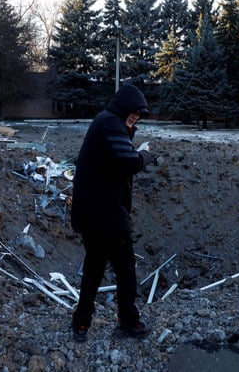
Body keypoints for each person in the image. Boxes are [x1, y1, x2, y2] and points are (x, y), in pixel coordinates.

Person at [70, 83, 155, 342]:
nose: (137, 116)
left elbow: (115, 158)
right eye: (134, 111)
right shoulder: (109, 123)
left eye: (140, 114)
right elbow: (128, 161)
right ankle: (128, 322)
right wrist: (145, 154)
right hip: (107, 215)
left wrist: (129, 133)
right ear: (123, 107)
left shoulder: (105, 122)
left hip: (93, 214)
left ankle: (81, 323)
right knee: (126, 270)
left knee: (94, 269)